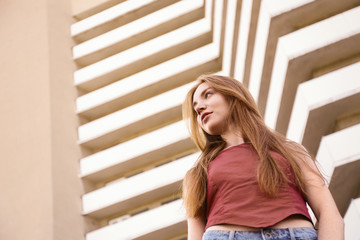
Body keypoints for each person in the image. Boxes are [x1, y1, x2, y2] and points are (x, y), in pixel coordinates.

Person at [182, 74, 344, 240]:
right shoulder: (197, 173)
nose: (199, 108)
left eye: (207, 94)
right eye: (195, 108)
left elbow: (328, 213)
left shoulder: (289, 150)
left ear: (233, 94)